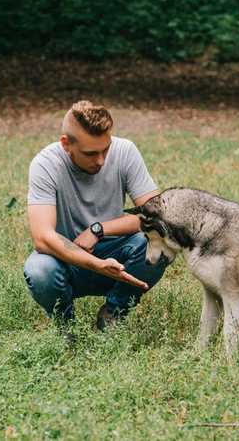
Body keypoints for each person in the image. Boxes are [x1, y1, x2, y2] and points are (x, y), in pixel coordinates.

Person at [23, 100, 168, 332]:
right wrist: (98, 265)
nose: (100, 160)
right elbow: (42, 237)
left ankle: (112, 315)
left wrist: (98, 230)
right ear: (65, 144)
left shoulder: (125, 151)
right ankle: (66, 328)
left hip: (117, 258)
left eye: (105, 149)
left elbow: (159, 217)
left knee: (160, 242)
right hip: (66, 261)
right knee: (39, 270)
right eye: (90, 153)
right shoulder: (45, 164)